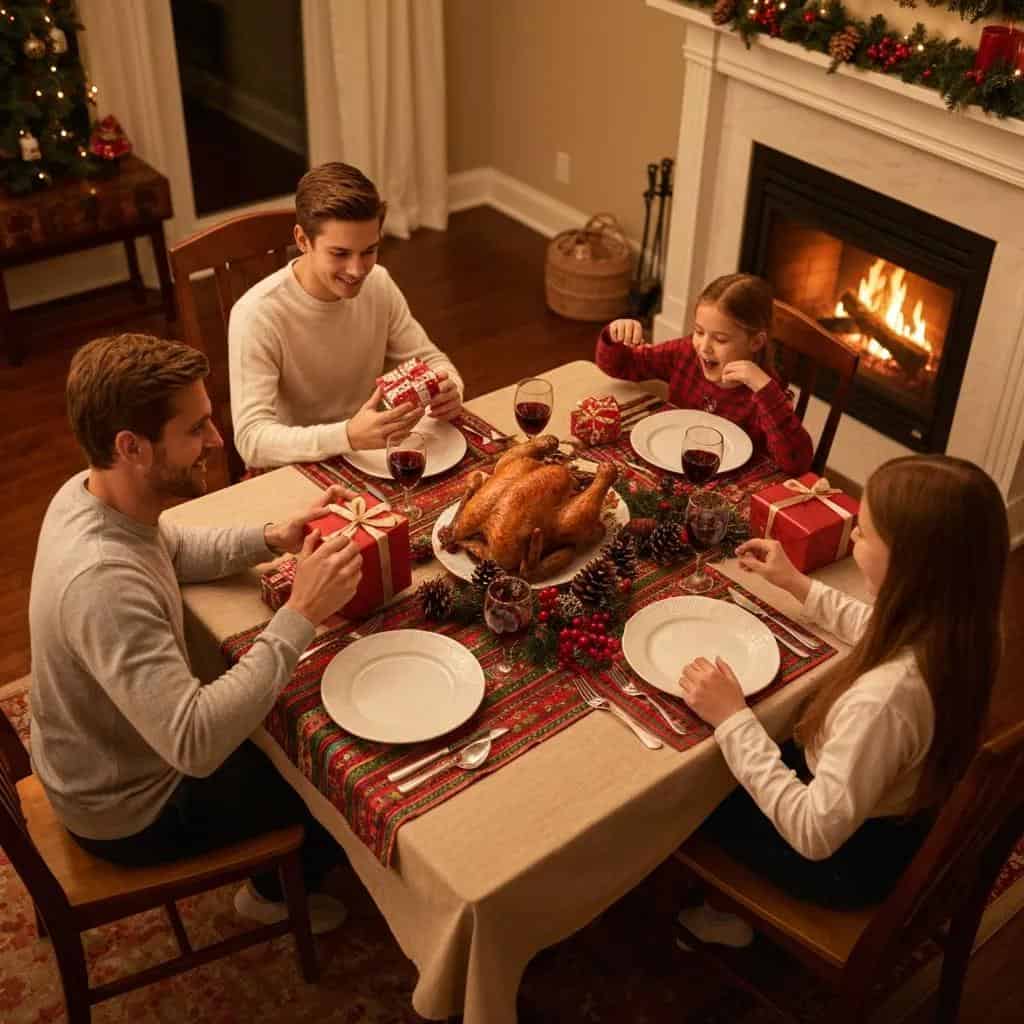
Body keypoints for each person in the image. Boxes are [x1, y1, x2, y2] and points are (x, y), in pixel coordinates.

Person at [30, 333, 365, 933]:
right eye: (195, 429)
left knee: (281, 713)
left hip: (106, 757)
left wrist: (272, 536)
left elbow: (171, 547)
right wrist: (302, 612)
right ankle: (268, 895)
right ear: (131, 447)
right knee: (333, 777)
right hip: (134, 810)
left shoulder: (91, 492)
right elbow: (195, 742)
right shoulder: (102, 584)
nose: (216, 440)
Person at [675, 454, 1008, 945]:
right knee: (761, 741)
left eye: (865, 533)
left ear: (910, 565)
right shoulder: (963, 625)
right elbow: (876, 628)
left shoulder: (887, 699)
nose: (852, 537)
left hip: (844, 862)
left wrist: (732, 717)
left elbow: (813, 833)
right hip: (898, 817)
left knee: (694, 794)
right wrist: (797, 584)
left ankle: (725, 914)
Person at [229, 161, 464, 469]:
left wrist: (451, 389)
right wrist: (348, 436)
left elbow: (431, 360)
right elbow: (251, 441)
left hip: (369, 453)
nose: (357, 270)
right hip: (298, 466)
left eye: (369, 251)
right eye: (340, 253)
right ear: (302, 240)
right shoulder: (256, 315)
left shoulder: (378, 283)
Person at [596, 273, 813, 475]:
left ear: (755, 342)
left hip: (731, 484)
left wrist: (766, 391)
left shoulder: (766, 393)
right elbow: (620, 366)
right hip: (673, 460)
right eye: (699, 332)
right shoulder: (685, 353)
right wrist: (614, 336)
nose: (704, 347)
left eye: (720, 339)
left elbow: (797, 464)